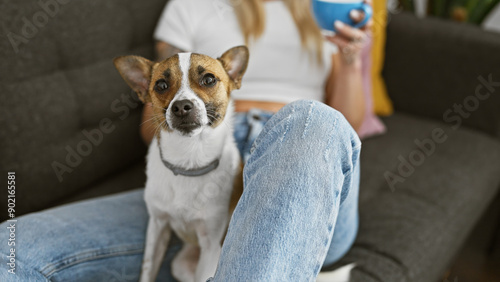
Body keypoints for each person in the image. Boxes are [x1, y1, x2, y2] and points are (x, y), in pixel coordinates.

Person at [0, 0, 369, 281]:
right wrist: (177, 106)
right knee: (12, 248)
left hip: (301, 158)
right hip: (196, 161)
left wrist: (351, 58)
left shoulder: (320, 13)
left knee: (312, 119)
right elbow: (155, 115)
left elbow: (344, 127)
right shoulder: (190, 5)